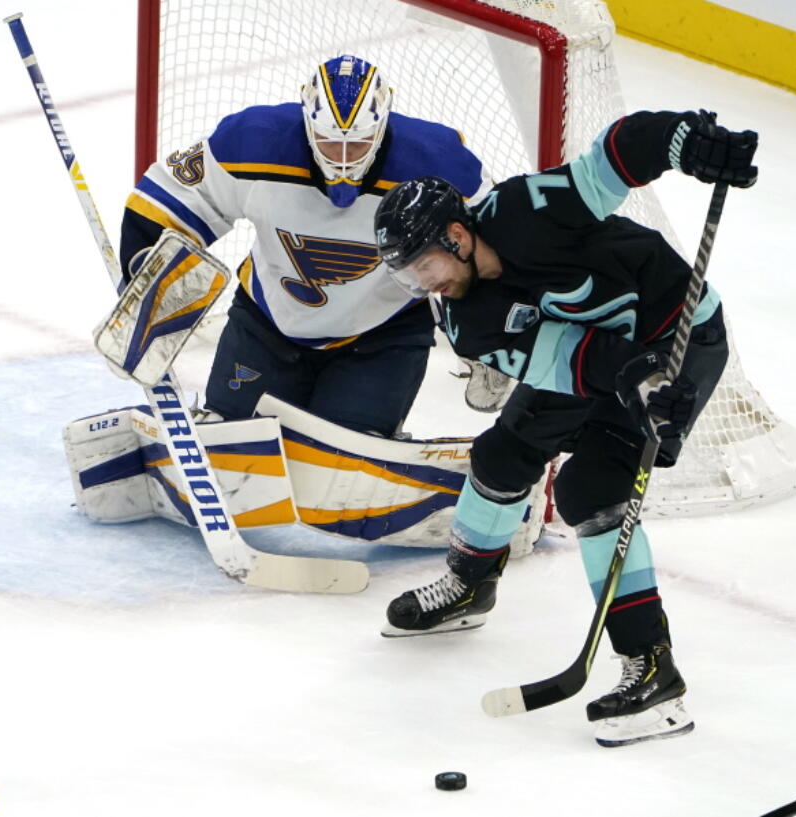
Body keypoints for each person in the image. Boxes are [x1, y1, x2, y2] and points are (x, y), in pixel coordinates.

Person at [372, 110, 759, 746]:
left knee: (592, 491)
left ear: (457, 235)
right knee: (501, 456)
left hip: (677, 336)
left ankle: (654, 667)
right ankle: (469, 586)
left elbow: (614, 156)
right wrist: (632, 380)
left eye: (424, 265)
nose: (422, 284)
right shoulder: (468, 322)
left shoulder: (527, 209)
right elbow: (570, 364)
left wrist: (689, 142)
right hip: (608, 360)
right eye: (408, 274)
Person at [120, 54, 490, 437]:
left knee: (343, 470)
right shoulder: (252, 142)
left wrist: (491, 330)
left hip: (383, 335)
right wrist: (146, 273)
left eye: (359, 144)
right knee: (231, 447)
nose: (344, 159)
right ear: (308, 125)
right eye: (330, 144)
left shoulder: (439, 162)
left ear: (381, 128)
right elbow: (163, 200)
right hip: (267, 326)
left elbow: (493, 240)